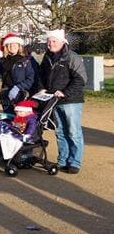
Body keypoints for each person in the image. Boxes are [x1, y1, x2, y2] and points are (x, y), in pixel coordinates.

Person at [35, 29, 86, 174]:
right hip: (54, 101)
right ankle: (63, 160)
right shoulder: (47, 57)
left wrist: (64, 92)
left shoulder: (71, 57)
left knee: (73, 131)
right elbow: (41, 76)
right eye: (49, 41)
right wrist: (41, 88)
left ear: (62, 42)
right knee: (60, 132)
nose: (50, 44)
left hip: (71, 101)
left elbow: (80, 79)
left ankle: (74, 161)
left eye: (54, 41)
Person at [0, 33, 38, 113]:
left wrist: (18, 87)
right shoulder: (2, 61)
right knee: (7, 120)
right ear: (6, 47)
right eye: (10, 45)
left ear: (19, 46)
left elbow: (31, 79)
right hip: (6, 96)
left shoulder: (26, 61)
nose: (12, 47)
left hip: (22, 95)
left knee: (20, 122)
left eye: (15, 44)